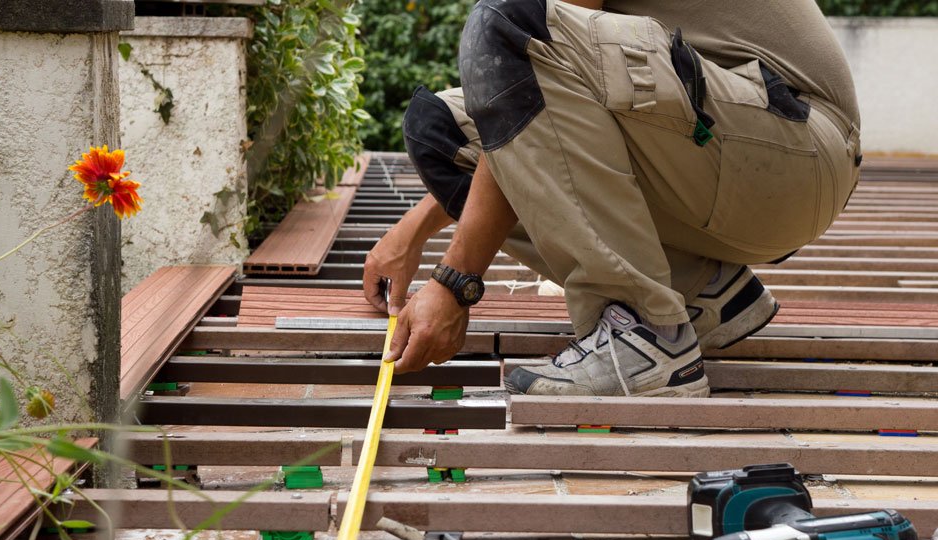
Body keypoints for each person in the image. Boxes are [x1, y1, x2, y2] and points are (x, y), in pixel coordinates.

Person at [362, 0, 861, 397]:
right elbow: (525, 128)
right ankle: (703, 291)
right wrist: (413, 232)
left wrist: (454, 281)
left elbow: (526, 49)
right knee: (442, 133)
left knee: (506, 25)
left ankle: (644, 333)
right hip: (739, 149)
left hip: (793, 151)